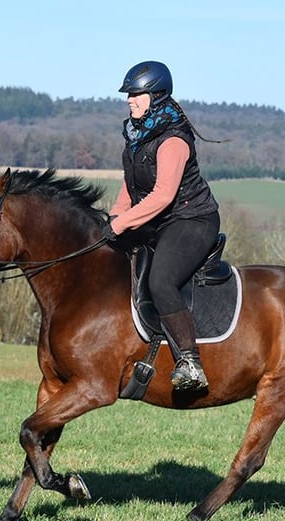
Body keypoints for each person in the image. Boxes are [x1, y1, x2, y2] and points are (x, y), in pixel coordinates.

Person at [101, 60, 221, 392]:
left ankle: (190, 361)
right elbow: (133, 183)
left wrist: (123, 223)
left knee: (162, 280)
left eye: (136, 94)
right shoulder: (137, 133)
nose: (130, 100)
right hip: (158, 220)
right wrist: (115, 216)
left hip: (192, 219)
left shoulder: (173, 140)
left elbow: (162, 195)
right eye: (129, 95)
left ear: (156, 95)